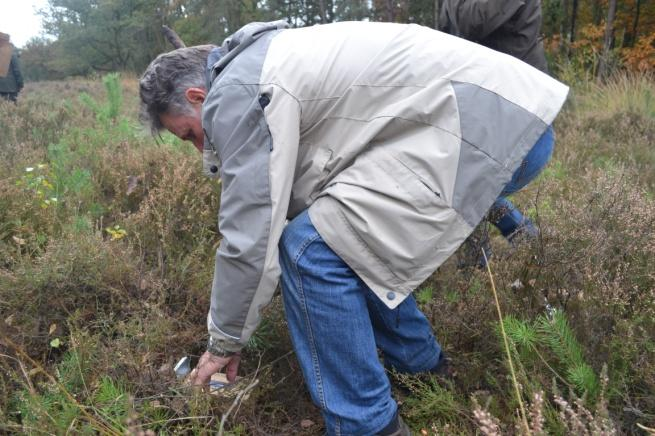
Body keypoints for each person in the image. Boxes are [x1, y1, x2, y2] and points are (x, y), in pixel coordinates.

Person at [139, 21, 568, 435]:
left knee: (309, 250)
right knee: (341, 234)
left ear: (198, 97)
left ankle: (366, 426)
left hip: (484, 131)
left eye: (190, 135)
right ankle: (425, 372)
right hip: (499, 118)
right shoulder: (263, 62)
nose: (201, 149)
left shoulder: (235, 93)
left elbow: (249, 233)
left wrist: (223, 344)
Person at [439, 0, 552, 262]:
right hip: (487, 114)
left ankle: (479, 270)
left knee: (464, 189)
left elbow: (471, 22)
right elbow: (446, 46)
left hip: (521, 116)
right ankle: (526, 245)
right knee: (461, 186)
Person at [0, 33, 24, 103]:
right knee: (10, 109)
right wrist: (21, 84)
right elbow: (17, 71)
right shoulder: (11, 53)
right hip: (10, 88)